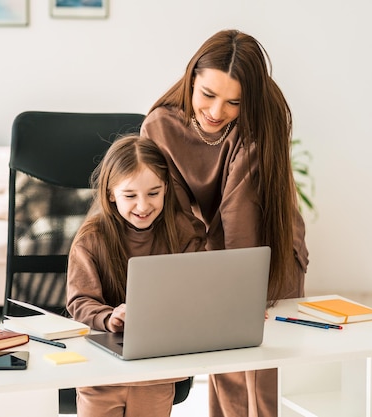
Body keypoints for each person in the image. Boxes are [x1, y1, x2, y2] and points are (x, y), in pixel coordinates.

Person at [141, 29, 310, 417]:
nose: (217, 112)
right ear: (191, 78)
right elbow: (177, 216)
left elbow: (241, 217)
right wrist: (208, 286)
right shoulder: (160, 126)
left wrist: (243, 292)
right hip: (214, 253)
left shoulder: (258, 124)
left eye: (234, 101)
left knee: (262, 368)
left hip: (269, 245)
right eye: (208, 95)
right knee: (225, 360)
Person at [66, 135, 205, 417]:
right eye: (130, 196)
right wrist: (109, 317)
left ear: (166, 189)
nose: (143, 206)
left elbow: (199, 290)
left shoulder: (184, 231)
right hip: (101, 369)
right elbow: (80, 301)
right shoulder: (92, 238)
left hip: (156, 367)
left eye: (154, 193)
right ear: (110, 194)